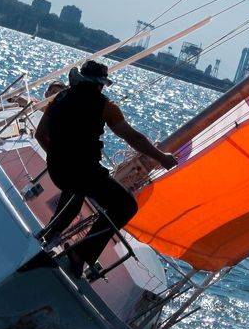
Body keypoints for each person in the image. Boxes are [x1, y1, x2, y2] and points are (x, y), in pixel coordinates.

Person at [34, 59, 177, 278]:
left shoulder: (60, 98)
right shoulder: (106, 107)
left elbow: (40, 134)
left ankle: (49, 235)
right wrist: (161, 158)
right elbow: (133, 137)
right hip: (84, 171)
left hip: (58, 168)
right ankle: (81, 254)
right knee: (125, 205)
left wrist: (56, 156)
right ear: (100, 84)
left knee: (75, 192)